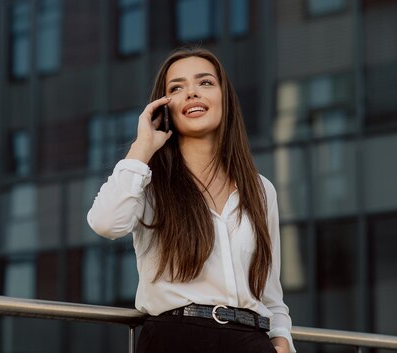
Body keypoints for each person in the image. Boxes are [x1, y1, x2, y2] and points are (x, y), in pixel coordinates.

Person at [87, 46, 295, 353]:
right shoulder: (147, 181)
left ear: (225, 98)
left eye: (205, 83)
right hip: (175, 339)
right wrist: (142, 147)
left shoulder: (260, 190)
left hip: (250, 341)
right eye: (177, 88)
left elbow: (270, 294)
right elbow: (104, 223)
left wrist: (282, 341)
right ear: (165, 107)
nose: (192, 93)